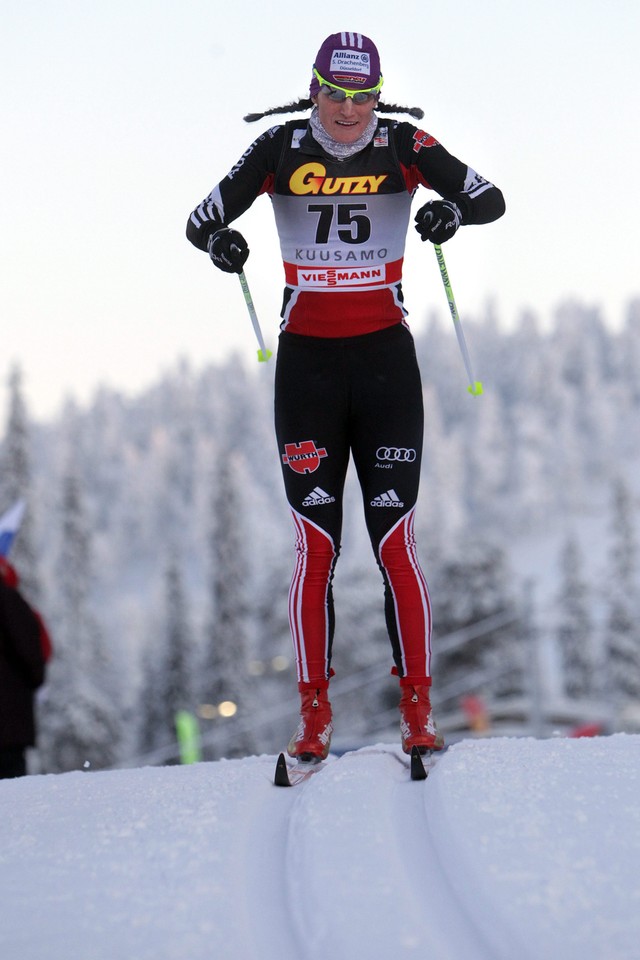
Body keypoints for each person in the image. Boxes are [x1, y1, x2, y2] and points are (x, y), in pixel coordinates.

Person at [187, 31, 505, 762]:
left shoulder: (404, 143)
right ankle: (312, 715)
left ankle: (418, 709)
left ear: (378, 94)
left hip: (385, 365)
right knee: (316, 547)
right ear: (314, 89)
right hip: (308, 372)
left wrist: (450, 214)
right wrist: (221, 246)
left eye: (363, 97)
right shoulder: (279, 147)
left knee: (398, 542)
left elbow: (488, 198)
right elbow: (200, 220)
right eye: (336, 94)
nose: (348, 111)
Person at [0, 556, 52, 778]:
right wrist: (34, 678)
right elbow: (31, 648)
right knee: (12, 796)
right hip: (8, 720)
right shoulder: (8, 599)